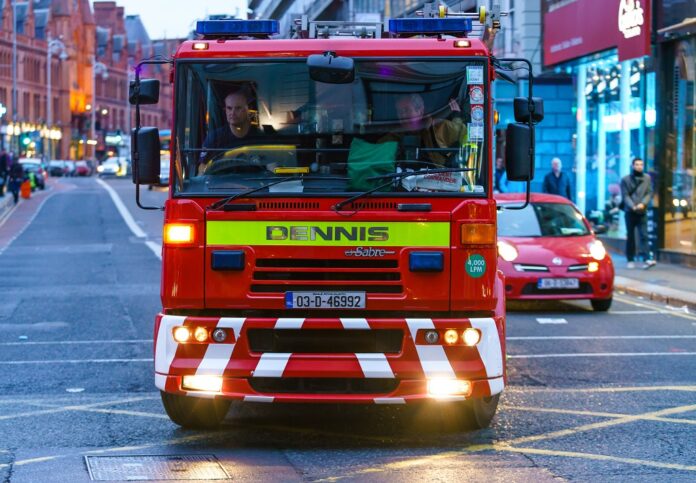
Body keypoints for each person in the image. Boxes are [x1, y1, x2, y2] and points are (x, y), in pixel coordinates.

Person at [380, 93, 465, 166]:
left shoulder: (441, 127)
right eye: (399, 111)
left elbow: (470, 139)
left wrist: (458, 118)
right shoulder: (392, 137)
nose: (402, 116)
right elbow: (378, 159)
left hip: (438, 183)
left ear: (420, 111)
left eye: (406, 110)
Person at [199, 87, 262, 167]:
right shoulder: (214, 138)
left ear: (249, 109)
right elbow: (202, 168)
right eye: (229, 108)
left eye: (238, 108)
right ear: (225, 110)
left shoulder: (260, 138)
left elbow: (273, 168)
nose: (232, 113)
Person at [621, 157, 655, 269]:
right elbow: (625, 195)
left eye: (641, 164)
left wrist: (643, 204)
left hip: (642, 211)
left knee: (644, 235)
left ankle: (647, 258)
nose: (639, 166)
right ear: (633, 166)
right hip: (630, 212)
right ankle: (630, 258)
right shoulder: (626, 179)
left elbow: (649, 193)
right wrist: (633, 206)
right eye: (637, 164)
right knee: (630, 236)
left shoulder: (647, 178)